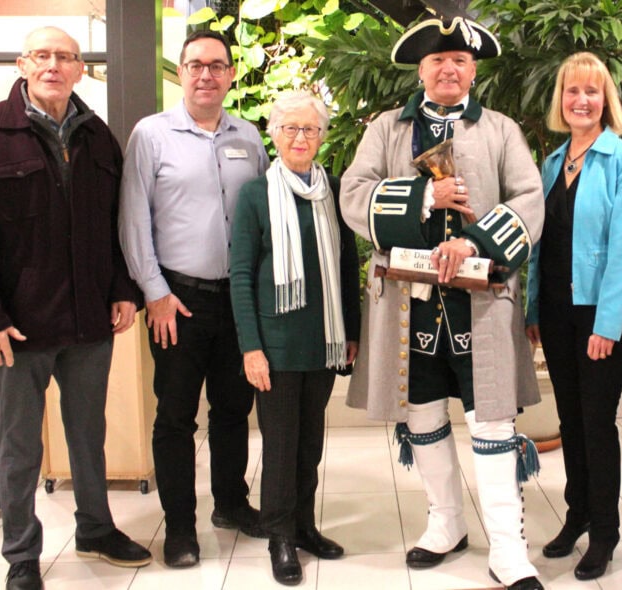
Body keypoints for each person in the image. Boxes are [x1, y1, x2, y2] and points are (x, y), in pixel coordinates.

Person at [0, 26, 152, 590]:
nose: (54, 64)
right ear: (23, 64)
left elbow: (115, 228)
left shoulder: (97, 138)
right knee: (18, 446)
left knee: (88, 435)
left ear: (82, 69)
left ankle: (96, 529)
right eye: (43, 55)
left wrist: (122, 290)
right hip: (15, 329)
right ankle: (21, 555)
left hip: (88, 323)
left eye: (65, 56)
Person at [340, 17, 545, 590]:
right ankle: (446, 522)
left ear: (474, 69)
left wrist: (472, 242)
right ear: (421, 70)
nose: (448, 68)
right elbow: (352, 196)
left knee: (493, 421)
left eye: (459, 60)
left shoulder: (501, 129)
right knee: (424, 413)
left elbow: (530, 199)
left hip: (483, 303)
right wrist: (427, 197)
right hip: (408, 301)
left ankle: (508, 549)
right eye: (436, 61)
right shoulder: (384, 128)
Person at [118, 30, 269, 568]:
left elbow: (263, 221)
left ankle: (230, 503)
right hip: (177, 300)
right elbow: (133, 220)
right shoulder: (152, 135)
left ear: (230, 74)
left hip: (239, 301)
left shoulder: (249, 137)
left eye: (216, 65)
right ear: (180, 72)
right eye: (195, 65)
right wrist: (154, 293)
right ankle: (180, 527)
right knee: (176, 416)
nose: (206, 74)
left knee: (234, 408)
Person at [524, 52, 622, 581]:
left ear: (606, 100)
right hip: (555, 314)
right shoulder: (553, 161)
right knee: (571, 421)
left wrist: (608, 324)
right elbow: (539, 244)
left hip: (601, 316)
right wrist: (532, 308)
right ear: (561, 100)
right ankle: (576, 514)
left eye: (591, 92)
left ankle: (605, 532)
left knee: (597, 423)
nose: (581, 100)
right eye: (572, 91)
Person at [229, 92, 360, 586]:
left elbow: (348, 266)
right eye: (290, 129)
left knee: (310, 444)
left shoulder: (336, 190)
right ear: (275, 134)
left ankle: (304, 527)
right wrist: (251, 346)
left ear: (322, 137)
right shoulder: (253, 195)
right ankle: (279, 536)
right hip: (276, 345)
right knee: (280, 445)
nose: (300, 138)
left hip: (324, 341)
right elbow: (241, 275)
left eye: (310, 129)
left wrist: (353, 331)